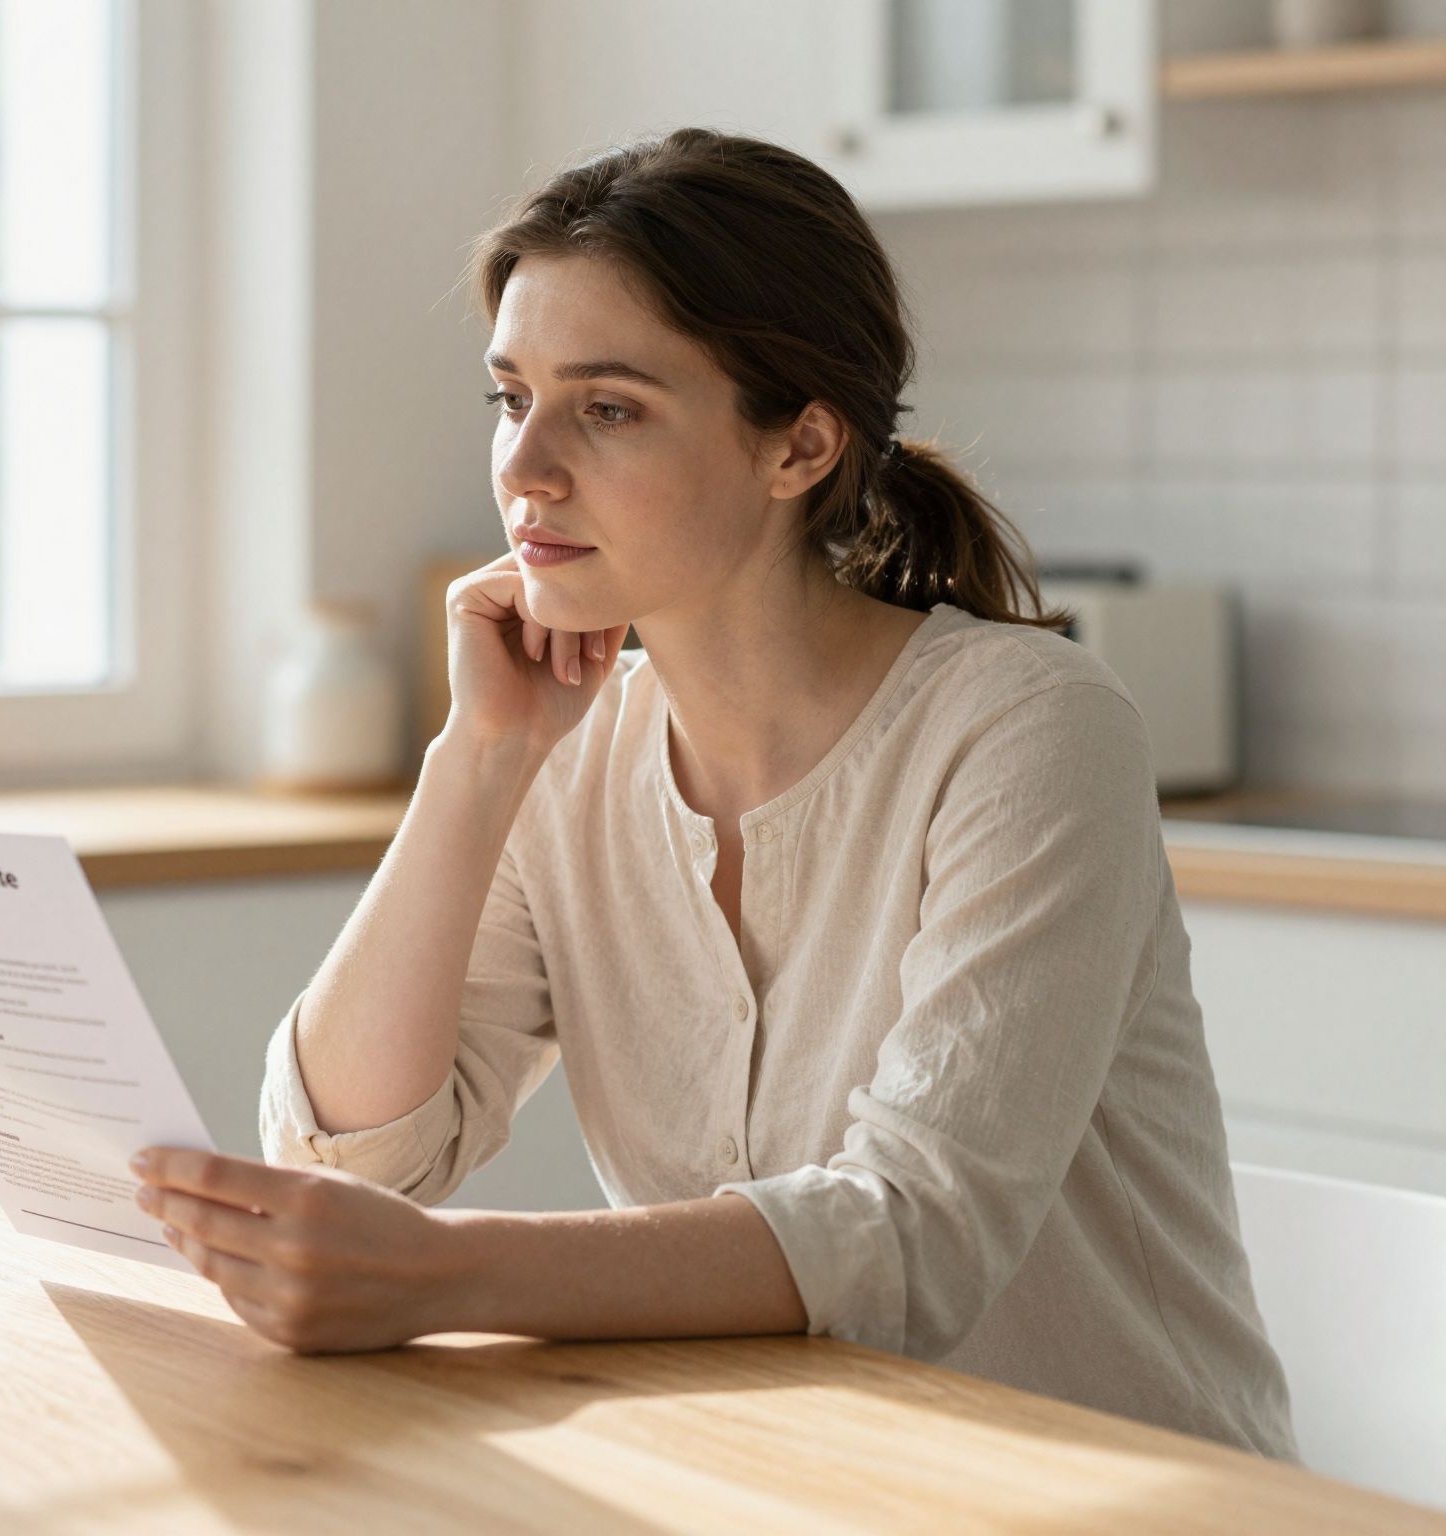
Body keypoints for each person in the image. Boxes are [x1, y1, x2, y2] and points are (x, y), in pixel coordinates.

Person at [127, 127, 1299, 1462]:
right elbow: (347, 1164)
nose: (524, 468)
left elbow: (914, 1233)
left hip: (1117, 1495)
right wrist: (475, 764)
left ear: (798, 447)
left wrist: (455, 1273)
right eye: (511, 397)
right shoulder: (559, 756)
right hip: (775, 1483)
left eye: (608, 407)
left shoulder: (1031, 730)